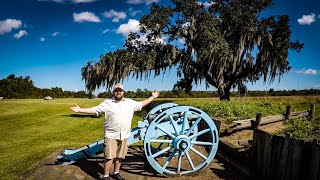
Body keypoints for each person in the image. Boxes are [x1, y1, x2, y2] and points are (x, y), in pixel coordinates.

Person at [70, 83, 160, 180]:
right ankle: (106, 176)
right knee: (109, 157)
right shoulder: (107, 103)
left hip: (125, 135)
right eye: (116, 90)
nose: (118, 92)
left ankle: (116, 173)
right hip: (111, 135)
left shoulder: (130, 102)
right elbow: (95, 110)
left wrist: (153, 97)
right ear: (113, 92)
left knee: (120, 156)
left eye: (120, 90)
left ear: (123, 92)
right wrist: (80, 110)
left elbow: (141, 104)